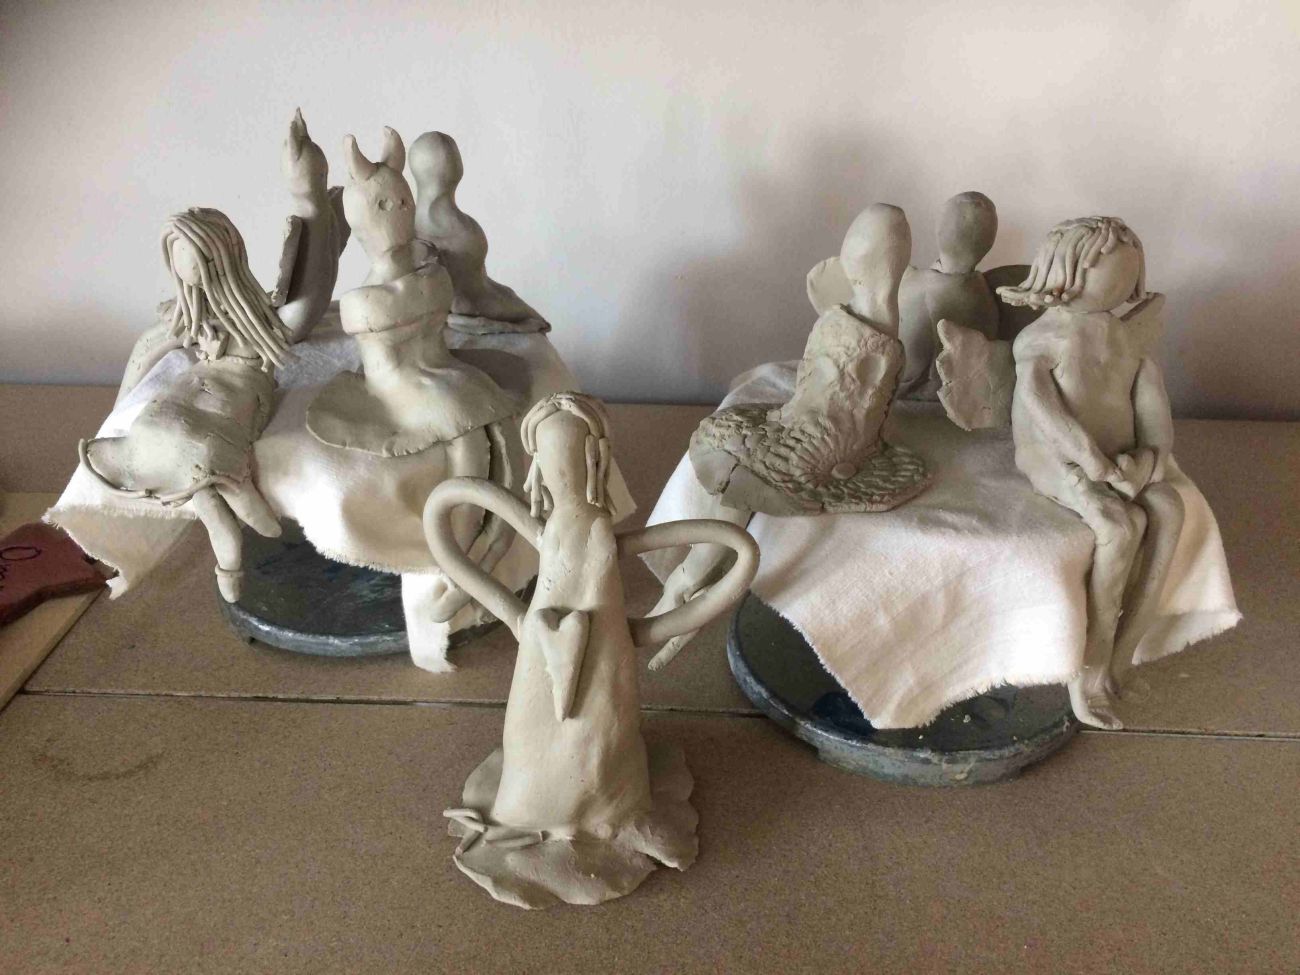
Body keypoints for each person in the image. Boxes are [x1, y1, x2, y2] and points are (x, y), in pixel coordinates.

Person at [1001, 216, 1184, 729]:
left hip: (1119, 461)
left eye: (1131, 270)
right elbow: (1046, 415)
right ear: (1065, 270)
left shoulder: (1126, 341)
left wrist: (1147, 461)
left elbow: (1153, 411)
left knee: (1169, 509)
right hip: (1057, 460)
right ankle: (1089, 667)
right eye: (1111, 269)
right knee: (1119, 526)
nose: (1124, 282)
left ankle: (1124, 655)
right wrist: (1096, 466)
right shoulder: (1041, 339)